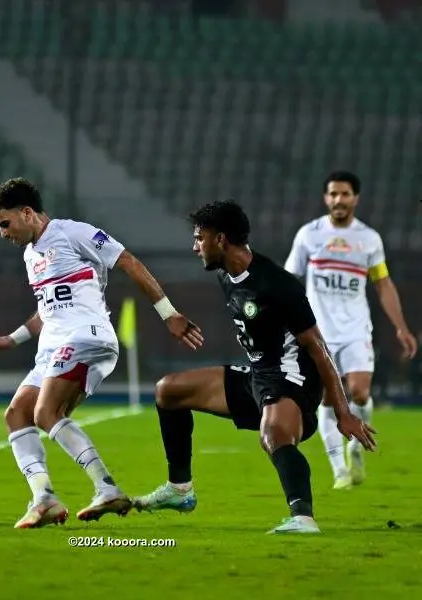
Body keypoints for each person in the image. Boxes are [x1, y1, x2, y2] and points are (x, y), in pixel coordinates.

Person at [132, 200, 376, 534]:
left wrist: (342, 411)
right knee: (168, 391)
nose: (194, 246)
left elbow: (318, 348)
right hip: (258, 374)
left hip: (293, 377)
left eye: (199, 238)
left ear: (220, 240)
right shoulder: (226, 276)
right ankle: (180, 490)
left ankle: (303, 518)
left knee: (273, 434)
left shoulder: (277, 284)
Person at [0, 178, 203, 529]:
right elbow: (48, 307)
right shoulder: (30, 255)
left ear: (26, 213)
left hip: (87, 336)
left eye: (5, 223)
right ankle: (44, 499)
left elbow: (127, 261)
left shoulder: (73, 233)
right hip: (52, 345)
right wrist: (13, 338)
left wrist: (168, 312)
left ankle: (107, 489)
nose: (2, 232)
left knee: (46, 411)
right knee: (18, 414)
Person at [284, 171, 417, 490]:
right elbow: (289, 280)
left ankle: (356, 446)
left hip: (357, 329)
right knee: (330, 398)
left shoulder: (368, 239)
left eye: (344, 194)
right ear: (325, 198)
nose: (338, 200)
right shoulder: (309, 234)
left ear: (355, 198)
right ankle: (339, 468)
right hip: (319, 333)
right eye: (333, 194)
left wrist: (401, 327)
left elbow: (383, 283)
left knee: (359, 392)